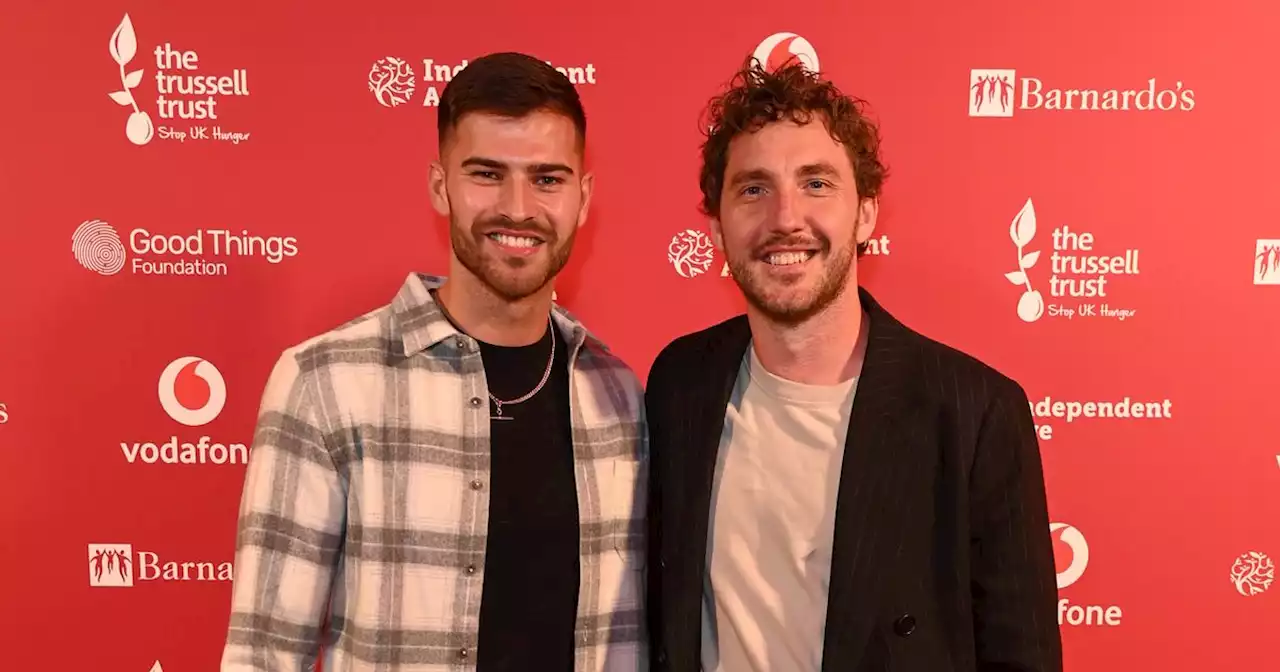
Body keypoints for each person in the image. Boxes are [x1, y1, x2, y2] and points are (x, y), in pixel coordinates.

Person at [220, 52, 648, 672]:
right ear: (440, 185)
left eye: (548, 179)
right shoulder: (325, 382)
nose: (519, 207)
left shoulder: (617, 394)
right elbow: (263, 655)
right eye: (487, 174)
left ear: (583, 199)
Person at [644, 57, 1062, 672]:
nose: (786, 218)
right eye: (754, 188)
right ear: (715, 225)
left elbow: (1022, 656)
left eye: (817, 183)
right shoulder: (681, 382)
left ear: (866, 212)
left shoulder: (974, 412)